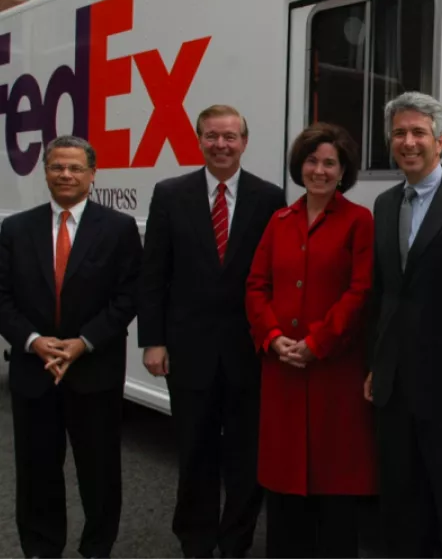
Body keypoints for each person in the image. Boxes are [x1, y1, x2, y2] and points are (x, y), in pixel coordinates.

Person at [137, 105, 285, 560]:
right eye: (211, 136)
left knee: (245, 458)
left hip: (249, 352)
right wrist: (153, 340)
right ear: (198, 139)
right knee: (194, 453)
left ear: (244, 141)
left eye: (230, 136)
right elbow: (153, 274)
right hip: (188, 351)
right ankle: (196, 542)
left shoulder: (269, 197)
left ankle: (236, 540)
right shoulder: (170, 194)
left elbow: (274, 276)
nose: (221, 144)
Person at [0, 136, 142, 560]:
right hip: (33, 370)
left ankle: (97, 548)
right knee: (36, 471)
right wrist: (34, 341)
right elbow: (2, 296)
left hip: (94, 370)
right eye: (57, 167)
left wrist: (82, 343)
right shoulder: (16, 228)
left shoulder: (118, 228)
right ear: (45, 172)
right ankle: (41, 549)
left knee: (99, 474)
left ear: (92, 175)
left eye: (75, 168)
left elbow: (128, 297)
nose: (66, 174)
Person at [246, 122, 376, 559]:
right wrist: (273, 336)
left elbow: (360, 292)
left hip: (334, 376)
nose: (319, 170)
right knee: (283, 495)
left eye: (329, 163)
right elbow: (256, 286)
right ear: (299, 166)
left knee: (336, 489)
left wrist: (317, 342)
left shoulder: (360, 222)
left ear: (343, 172)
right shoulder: (278, 221)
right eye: (311, 161)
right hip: (282, 372)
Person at [365, 92, 442, 558]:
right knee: (400, 499)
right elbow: (383, 293)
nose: (408, 142)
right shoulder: (385, 204)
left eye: (418, 133)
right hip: (393, 384)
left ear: (441, 141)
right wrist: (375, 364)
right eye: (399, 134)